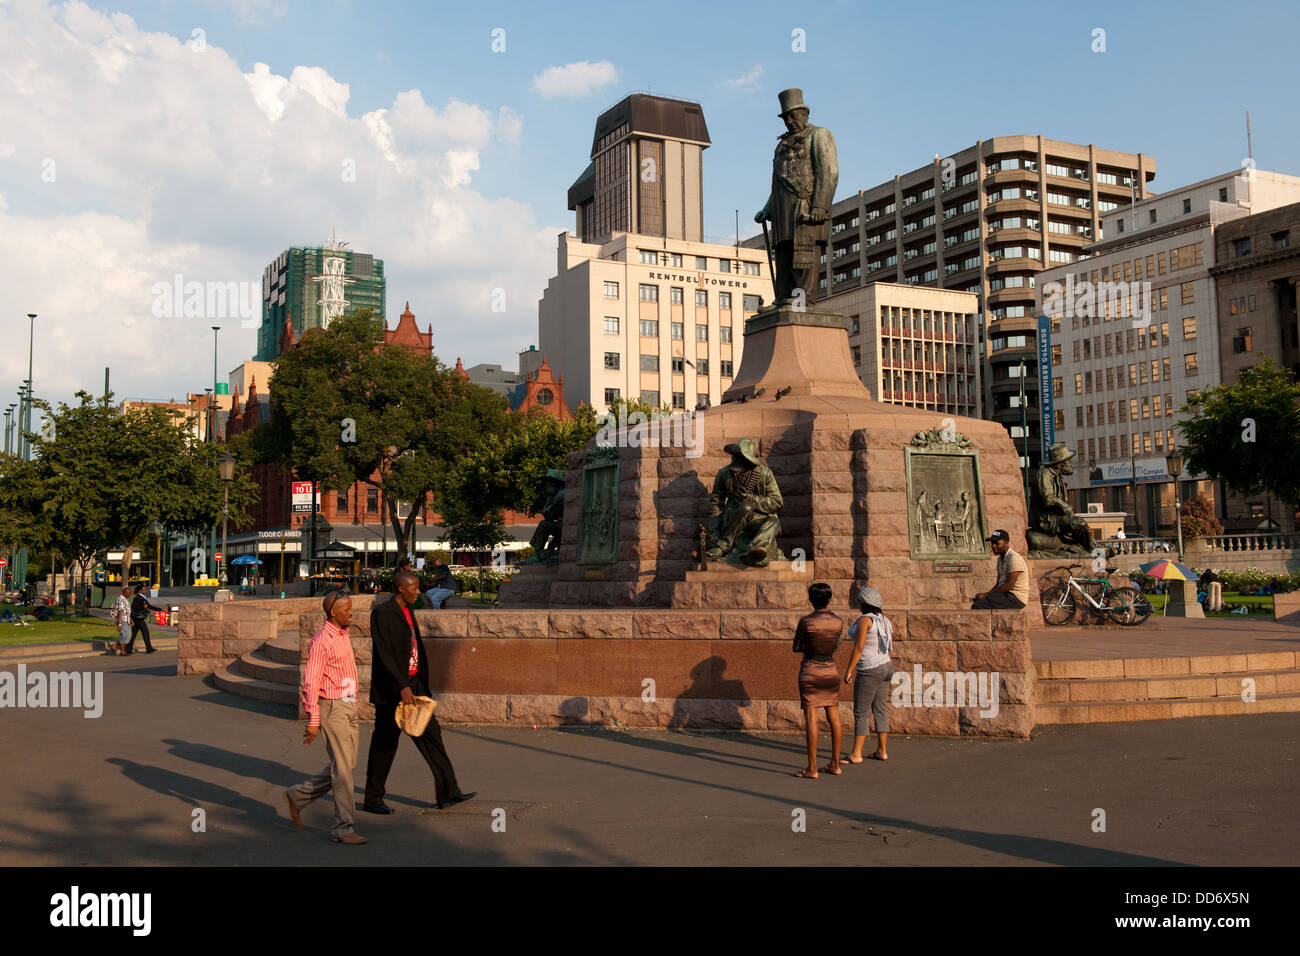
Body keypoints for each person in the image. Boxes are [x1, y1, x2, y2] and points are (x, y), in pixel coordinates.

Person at [363, 569, 475, 813]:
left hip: (414, 686)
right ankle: (372, 799)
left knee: (432, 736)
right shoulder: (383, 613)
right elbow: (384, 653)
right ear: (401, 588)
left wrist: (415, 684)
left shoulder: (408, 609)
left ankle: (448, 792)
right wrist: (401, 685)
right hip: (393, 690)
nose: (419, 591)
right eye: (414, 587)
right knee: (385, 743)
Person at [284, 590, 366, 845]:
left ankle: (298, 796)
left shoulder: (343, 634)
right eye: (347, 609)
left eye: (351, 608)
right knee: (342, 771)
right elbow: (310, 681)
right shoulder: (322, 641)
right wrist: (313, 719)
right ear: (333, 612)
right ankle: (343, 828)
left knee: (346, 766)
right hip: (332, 708)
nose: (351, 612)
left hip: (348, 706)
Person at [791, 582, 844, 779]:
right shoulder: (838, 621)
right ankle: (835, 764)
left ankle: (812, 768)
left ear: (811, 599)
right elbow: (836, 647)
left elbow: (796, 646)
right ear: (829, 599)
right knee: (835, 718)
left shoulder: (806, 621)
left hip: (811, 670)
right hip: (830, 669)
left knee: (812, 719)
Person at [842, 587, 894, 763]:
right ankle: (882, 750)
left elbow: (859, 647)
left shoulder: (865, 620)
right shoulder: (884, 620)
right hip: (886, 666)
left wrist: (849, 669)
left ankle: (856, 754)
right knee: (880, 709)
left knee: (861, 712)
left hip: (870, 669)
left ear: (864, 604)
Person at [971, 529, 1029, 610]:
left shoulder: (1014, 558)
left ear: (1006, 543)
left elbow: (1010, 585)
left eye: (997, 543)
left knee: (978, 606)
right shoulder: (1000, 559)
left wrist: (986, 595)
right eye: (992, 543)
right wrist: (985, 595)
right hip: (1005, 595)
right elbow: (999, 584)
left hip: (1016, 598)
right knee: (979, 603)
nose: (994, 546)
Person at [125, 583, 162, 654]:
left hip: (137, 618)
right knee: (145, 632)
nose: (145, 591)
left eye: (145, 589)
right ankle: (149, 648)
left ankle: (128, 649)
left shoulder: (142, 598)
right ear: (140, 591)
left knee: (133, 634)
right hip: (138, 618)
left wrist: (159, 609)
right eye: (144, 589)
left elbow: (149, 606)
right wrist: (142, 606)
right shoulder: (137, 598)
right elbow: (134, 607)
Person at [110, 586, 132, 656]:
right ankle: (122, 651)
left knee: (128, 636)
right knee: (124, 635)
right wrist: (119, 624)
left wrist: (131, 620)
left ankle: (115, 645)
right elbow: (121, 612)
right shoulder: (121, 600)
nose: (129, 595)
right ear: (124, 592)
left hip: (127, 620)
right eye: (128, 593)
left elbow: (127, 612)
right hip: (122, 621)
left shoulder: (125, 599)